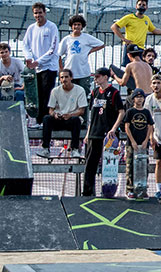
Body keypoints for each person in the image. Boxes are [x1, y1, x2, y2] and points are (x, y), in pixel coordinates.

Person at [82, 68, 125, 196]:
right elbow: (92, 115)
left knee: (109, 164)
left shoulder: (114, 92)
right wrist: (87, 133)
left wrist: (113, 128)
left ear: (106, 77)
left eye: (98, 76)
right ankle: (88, 192)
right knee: (90, 164)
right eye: (95, 76)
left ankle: (108, 191)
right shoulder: (94, 92)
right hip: (94, 133)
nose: (96, 78)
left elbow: (121, 112)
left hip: (108, 136)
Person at [36, 69, 87, 158]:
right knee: (46, 118)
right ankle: (45, 149)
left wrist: (70, 115)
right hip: (59, 119)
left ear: (71, 78)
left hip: (71, 119)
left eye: (66, 77)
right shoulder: (55, 91)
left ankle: (74, 150)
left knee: (76, 120)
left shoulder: (80, 90)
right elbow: (50, 110)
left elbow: (82, 111)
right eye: (62, 77)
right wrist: (55, 115)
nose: (64, 79)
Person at [110, 0, 161, 64]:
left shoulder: (146, 19)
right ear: (136, 6)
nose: (141, 6)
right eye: (139, 4)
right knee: (128, 66)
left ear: (146, 7)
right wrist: (123, 39)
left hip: (140, 48)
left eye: (143, 5)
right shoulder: (129, 17)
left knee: (139, 68)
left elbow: (154, 30)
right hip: (130, 47)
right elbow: (114, 27)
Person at [22, 2, 60, 122]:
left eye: (40, 12)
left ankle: (44, 121)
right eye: (35, 13)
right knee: (35, 95)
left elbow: (53, 50)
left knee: (46, 95)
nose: (38, 15)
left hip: (49, 67)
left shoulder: (52, 27)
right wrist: (29, 58)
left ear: (44, 12)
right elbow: (25, 45)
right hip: (35, 69)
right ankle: (36, 120)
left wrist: (38, 62)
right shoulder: (31, 28)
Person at [58, 15, 104, 97]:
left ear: (82, 26)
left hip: (83, 73)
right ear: (71, 26)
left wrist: (89, 51)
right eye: (74, 24)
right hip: (70, 72)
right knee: (69, 95)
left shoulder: (86, 37)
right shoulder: (66, 39)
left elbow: (101, 44)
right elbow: (58, 55)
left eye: (79, 24)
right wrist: (61, 70)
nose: (76, 26)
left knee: (83, 94)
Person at [122, 89, 154, 199]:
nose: (139, 99)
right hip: (132, 143)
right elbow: (127, 127)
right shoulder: (130, 112)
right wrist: (133, 141)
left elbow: (150, 126)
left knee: (144, 166)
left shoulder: (146, 112)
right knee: (130, 166)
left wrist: (146, 140)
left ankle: (142, 188)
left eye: (141, 97)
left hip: (143, 143)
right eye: (137, 97)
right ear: (133, 98)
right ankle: (130, 189)